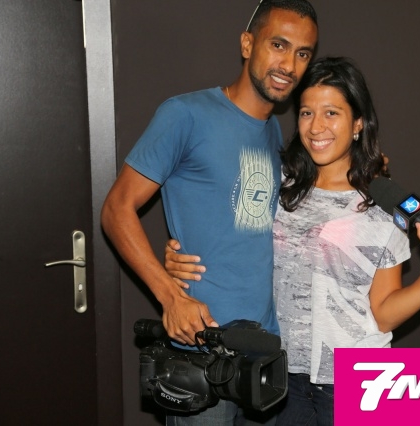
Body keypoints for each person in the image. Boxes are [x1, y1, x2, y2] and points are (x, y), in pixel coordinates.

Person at [166, 57, 420, 425]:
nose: (316, 126)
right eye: (307, 113)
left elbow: (382, 313)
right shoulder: (279, 184)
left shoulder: (383, 207)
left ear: (358, 123)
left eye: (332, 113)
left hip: (355, 384)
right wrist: (181, 254)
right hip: (278, 377)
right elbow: (233, 242)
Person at [100, 1, 318, 424]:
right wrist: (169, 294)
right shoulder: (185, 114)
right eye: (278, 45)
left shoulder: (274, 131)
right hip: (202, 351)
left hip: (262, 352)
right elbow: (116, 208)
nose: (289, 65)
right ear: (247, 43)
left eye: (302, 53)